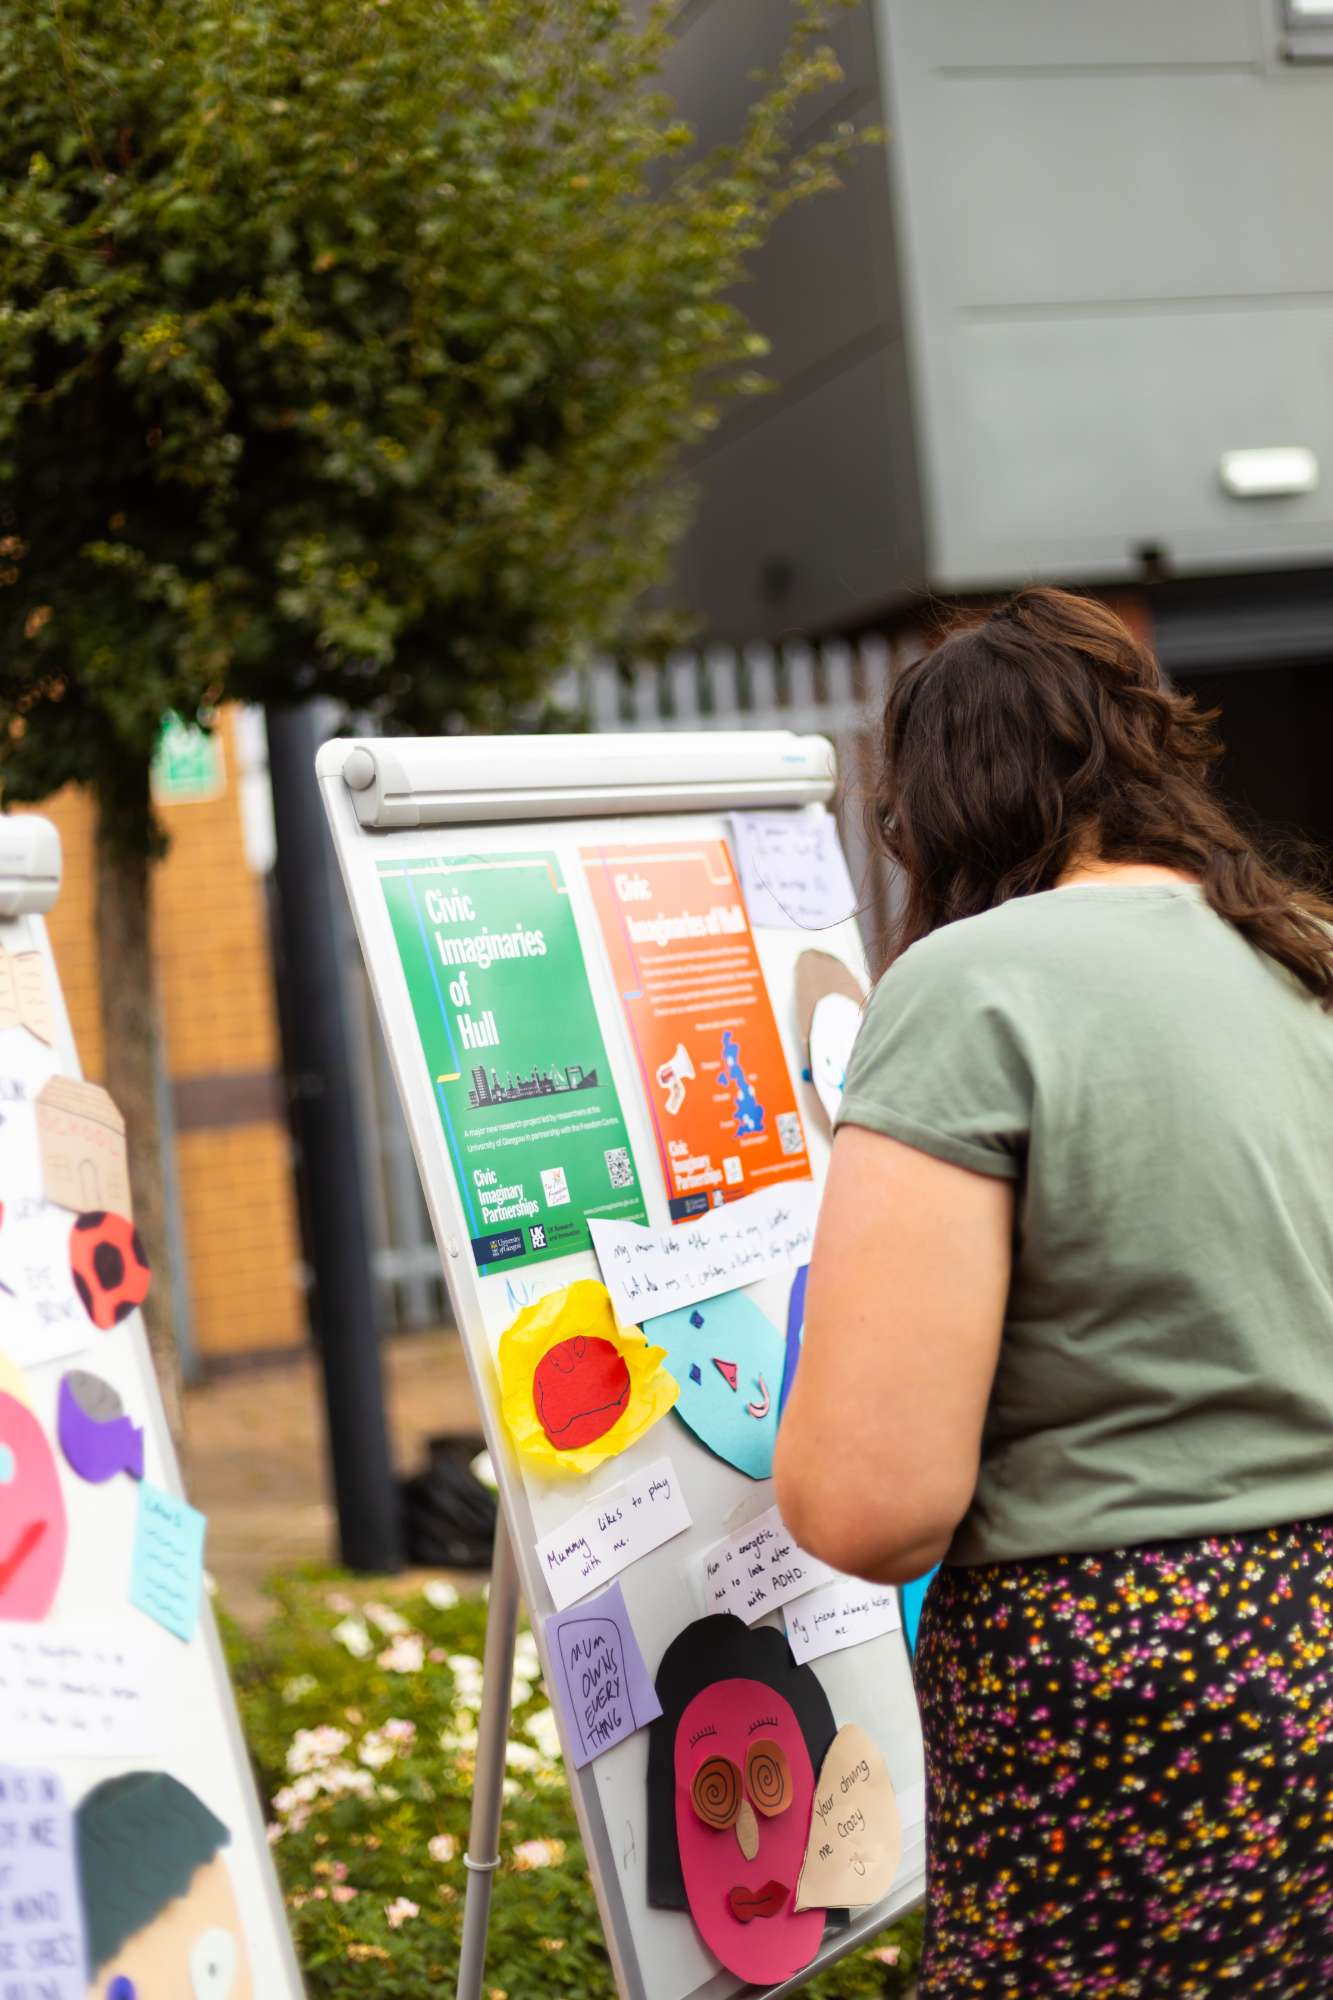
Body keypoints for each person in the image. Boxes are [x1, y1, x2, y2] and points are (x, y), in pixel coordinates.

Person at [775, 587, 1333, 1997]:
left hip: (1137, 1676)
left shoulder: (973, 985)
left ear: (932, 808)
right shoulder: (1303, 953)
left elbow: (869, 1504)